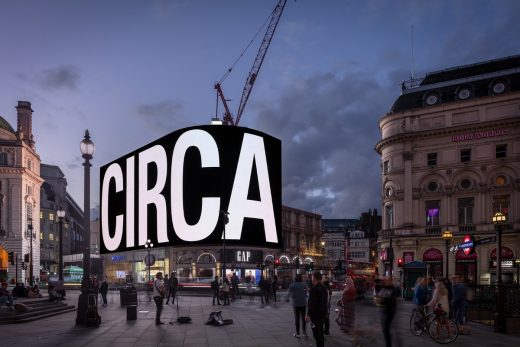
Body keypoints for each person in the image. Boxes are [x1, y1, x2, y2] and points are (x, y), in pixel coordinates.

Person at [306, 272, 328, 347]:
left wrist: (308, 315)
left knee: (316, 334)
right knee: (320, 333)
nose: (311, 279)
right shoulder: (324, 288)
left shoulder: (313, 290)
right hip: (323, 315)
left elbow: (312, 304)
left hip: (315, 317)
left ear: (314, 278)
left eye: (312, 277)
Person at [378, 277, 399, 347]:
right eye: (385, 281)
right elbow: (380, 295)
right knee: (385, 329)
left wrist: (383, 300)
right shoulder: (384, 288)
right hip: (384, 310)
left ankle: (389, 344)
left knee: (386, 329)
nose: (386, 282)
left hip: (390, 311)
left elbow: (391, 301)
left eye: (387, 281)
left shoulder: (393, 289)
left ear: (390, 282)